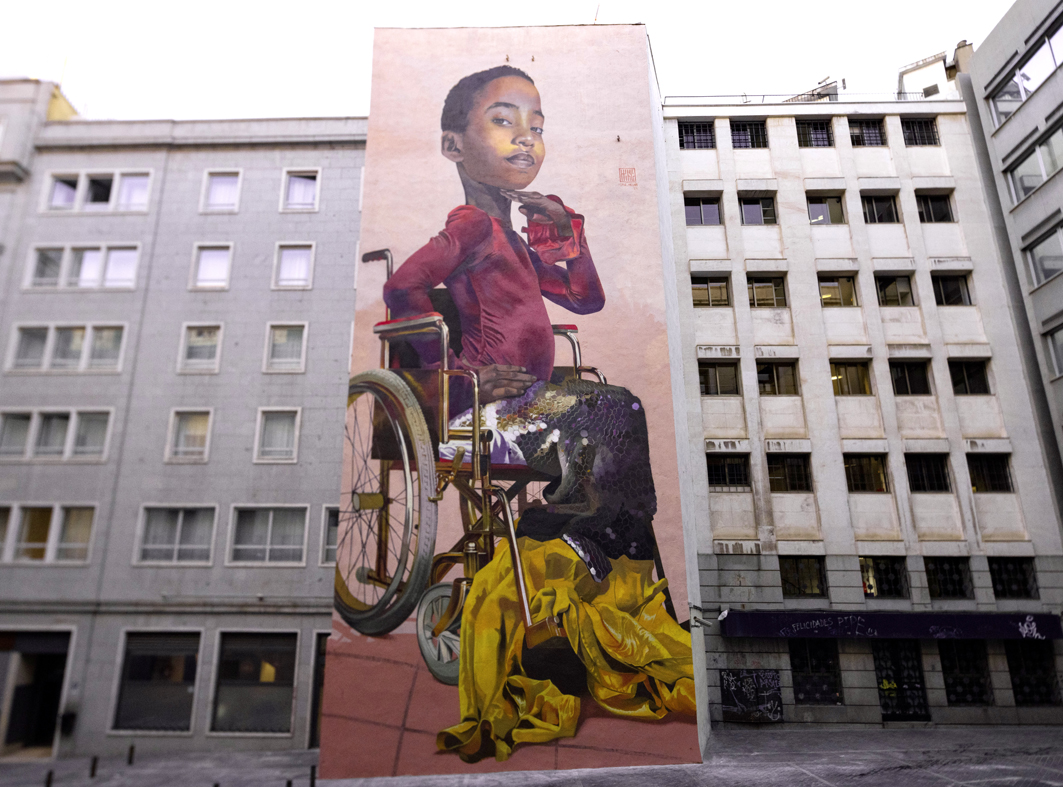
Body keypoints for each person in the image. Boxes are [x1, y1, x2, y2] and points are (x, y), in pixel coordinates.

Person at [382, 65, 694, 763]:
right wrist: (455, 374)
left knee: (613, 409)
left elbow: (585, 300)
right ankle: (574, 539)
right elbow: (402, 284)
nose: (527, 135)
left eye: (537, 124)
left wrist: (562, 231)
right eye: (503, 119)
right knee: (611, 408)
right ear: (452, 146)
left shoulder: (513, 238)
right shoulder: (467, 226)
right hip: (489, 411)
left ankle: (586, 541)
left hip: (534, 407)